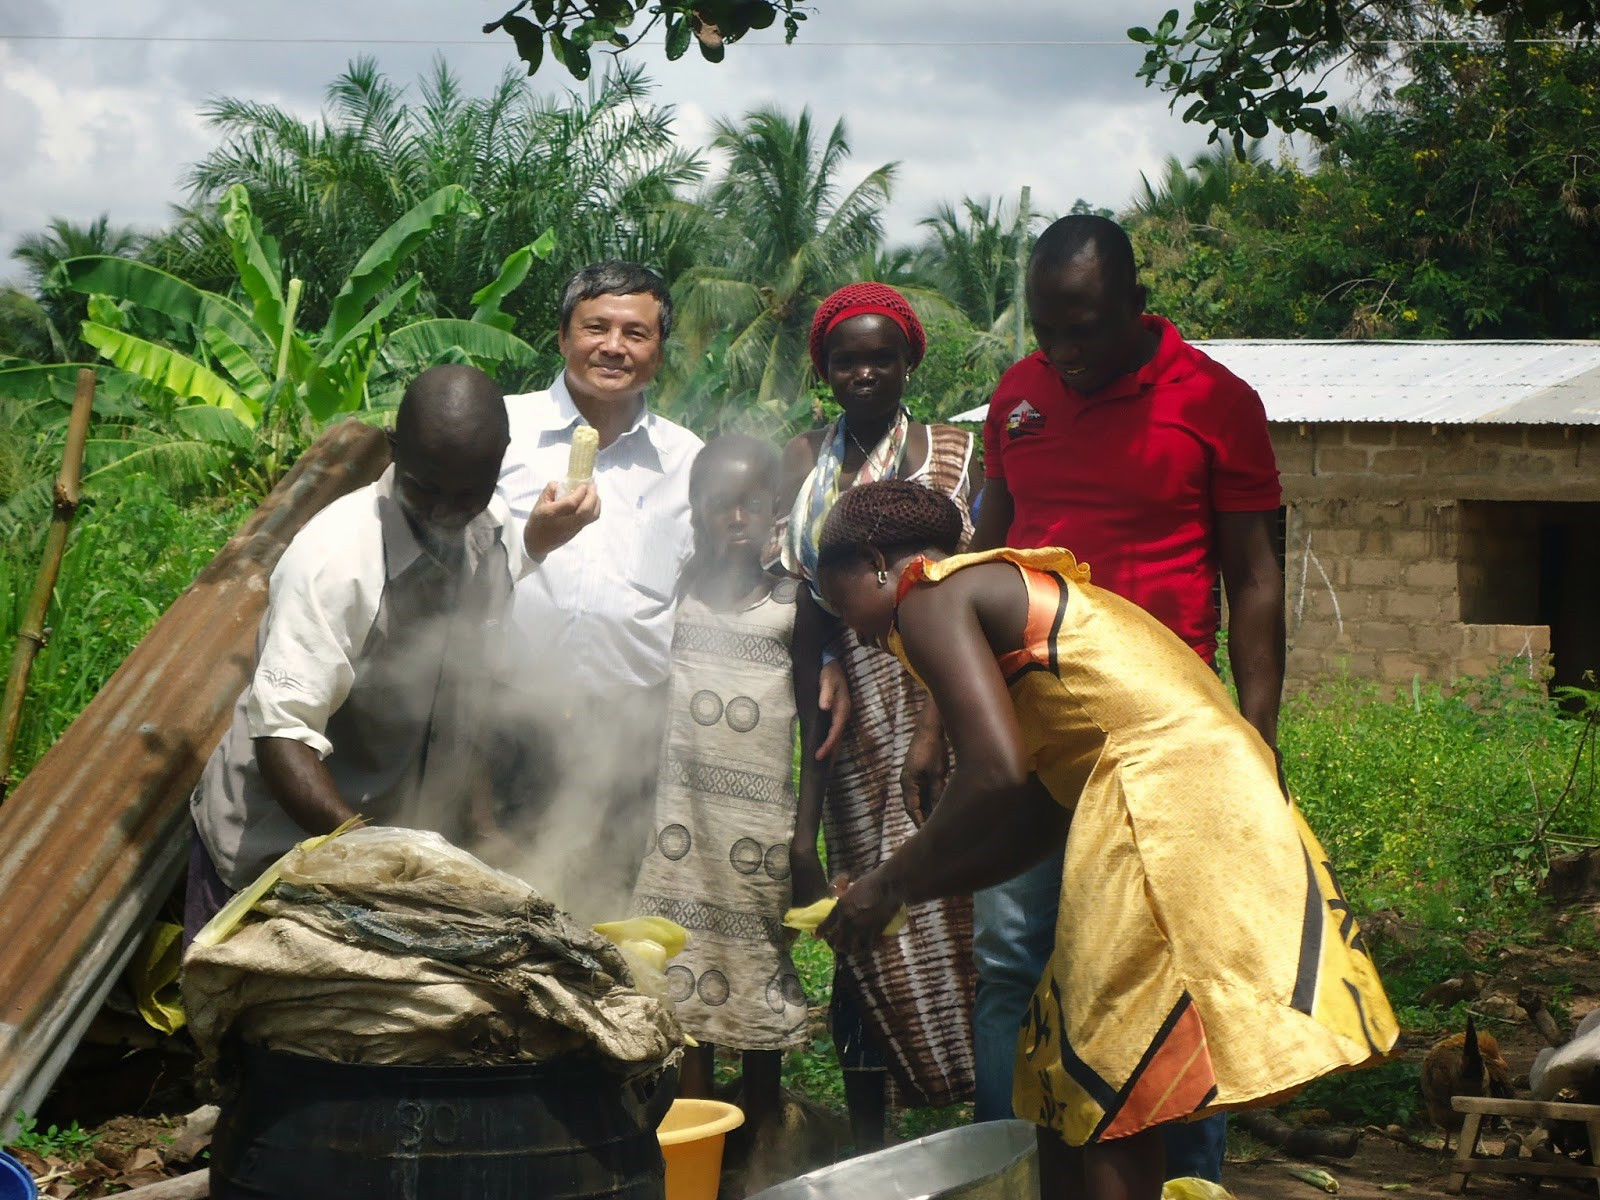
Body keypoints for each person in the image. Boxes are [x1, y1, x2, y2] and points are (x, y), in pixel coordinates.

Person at [813, 481, 1398, 1200]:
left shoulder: (928, 594)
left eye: (842, 607)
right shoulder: (997, 589)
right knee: (1060, 1061)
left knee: (1106, 1061)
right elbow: (1039, 809)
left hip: (1163, 795)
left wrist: (888, 882)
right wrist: (914, 889)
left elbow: (993, 771)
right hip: (1195, 785)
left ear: (875, 561)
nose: (858, 632)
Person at [947, 215, 1288, 1180]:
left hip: (1165, 742)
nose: (1063, 350)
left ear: (1138, 306)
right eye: (1047, 326)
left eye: (1085, 327)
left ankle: (1190, 1179)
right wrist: (946, 715)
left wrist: (1255, 747)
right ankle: (1009, 1175)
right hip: (1033, 732)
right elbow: (988, 546)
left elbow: (1256, 579)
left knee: (1176, 978)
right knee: (1015, 959)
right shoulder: (1019, 396)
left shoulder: (1216, 401)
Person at [494, 262, 851, 919]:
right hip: (505, 712)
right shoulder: (501, 434)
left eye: (637, 333)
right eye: (595, 327)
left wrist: (824, 656)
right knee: (495, 890)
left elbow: (740, 567)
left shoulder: (687, 459)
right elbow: (451, 565)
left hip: (631, 727)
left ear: (659, 351)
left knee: (605, 901)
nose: (614, 346)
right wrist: (533, 543)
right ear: (562, 336)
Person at [185, 364, 529, 944]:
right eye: (426, 489)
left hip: (383, 844)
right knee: (265, 1018)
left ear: (501, 462)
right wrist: (374, 858)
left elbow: (470, 696)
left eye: (469, 491)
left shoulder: (491, 537)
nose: (448, 510)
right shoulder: (335, 560)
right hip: (274, 848)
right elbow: (284, 739)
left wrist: (480, 828)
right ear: (394, 452)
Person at [775, 281, 976, 1149]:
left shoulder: (955, 455)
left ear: (909, 362)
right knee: (865, 917)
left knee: (966, 910)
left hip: (949, 700)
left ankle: (983, 1129)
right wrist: (802, 819)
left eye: (881, 356)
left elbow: (971, 589)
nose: (864, 372)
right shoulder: (799, 462)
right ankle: (869, 1142)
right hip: (850, 720)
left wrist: (934, 722)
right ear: (825, 368)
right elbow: (804, 616)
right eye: (845, 359)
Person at [630, 434, 822, 1144]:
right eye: (720, 505)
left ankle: (766, 1145)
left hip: (758, 834)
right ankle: (695, 1146)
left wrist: (805, 840)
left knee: (755, 968)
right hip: (677, 824)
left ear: (775, 509)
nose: (736, 518)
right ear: (697, 511)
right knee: (683, 980)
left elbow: (818, 730)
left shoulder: (794, 606)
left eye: (751, 503)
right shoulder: (673, 598)